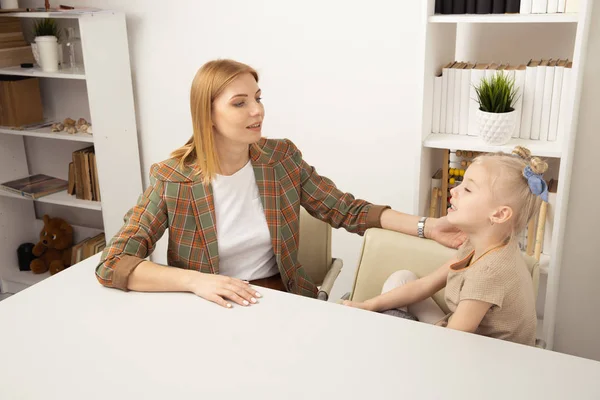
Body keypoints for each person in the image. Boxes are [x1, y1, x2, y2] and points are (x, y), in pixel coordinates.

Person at [95, 59, 463, 309]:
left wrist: (427, 226)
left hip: (279, 297)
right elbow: (114, 263)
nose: (257, 110)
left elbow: (347, 209)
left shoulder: (281, 159)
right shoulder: (172, 178)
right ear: (206, 114)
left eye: (257, 98)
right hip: (207, 305)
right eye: (240, 103)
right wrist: (195, 282)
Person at [344, 147, 544, 346]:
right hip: (458, 336)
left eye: (467, 189)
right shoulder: (483, 243)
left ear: (499, 215)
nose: (453, 190)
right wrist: (367, 305)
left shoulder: (490, 272)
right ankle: (388, 333)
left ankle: (390, 343)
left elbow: (451, 341)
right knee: (402, 279)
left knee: (392, 330)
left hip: (478, 361)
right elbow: (425, 285)